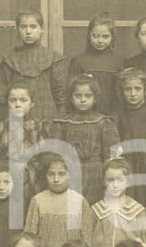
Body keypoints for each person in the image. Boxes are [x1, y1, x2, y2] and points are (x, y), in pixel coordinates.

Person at [46, 75, 121, 204]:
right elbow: (55, 154)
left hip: (96, 174)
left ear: (95, 98)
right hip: (70, 172)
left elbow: (111, 156)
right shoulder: (62, 123)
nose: (83, 100)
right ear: (71, 97)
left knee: (94, 208)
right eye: (78, 96)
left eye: (88, 96)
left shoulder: (103, 122)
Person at [24, 154, 95, 247]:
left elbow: (87, 239)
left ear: (70, 175)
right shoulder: (38, 200)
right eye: (51, 174)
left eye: (61, 174)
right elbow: (29, 238)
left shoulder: (78, 201)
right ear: (45, 176)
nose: (56, 179)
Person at [0, 10, 67, 121]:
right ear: (17, 29)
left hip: (48, 116)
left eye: (33, 26)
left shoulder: (54, 58)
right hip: (18, 116)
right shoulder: (10, 60)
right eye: (23, 27)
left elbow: (60, 95)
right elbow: (4, 96)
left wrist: (60, 120)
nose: (28, 31)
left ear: (41, 29)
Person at [0, 80, 48, 202]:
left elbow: (44, 158)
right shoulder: (0, 127)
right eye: (12, 100)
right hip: (6, 183)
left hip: (33, 183)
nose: (17, 104)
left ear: (32, 103)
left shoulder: (40, 127)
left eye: (23, 100)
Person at [90, 159, 146, 247]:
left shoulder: (137, 210)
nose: (115, 185)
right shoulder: (95, 210)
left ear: (128, 182)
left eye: (120, 180)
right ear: (103, 182)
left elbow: (143, 244)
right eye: (110, 180)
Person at [113, 67, 146, 207]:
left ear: (145, 91)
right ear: (121, 92)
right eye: (128, 89)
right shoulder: (116, 116)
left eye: (138, 89)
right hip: (126, 164)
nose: (133, 94)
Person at [68, 13, 126, 116]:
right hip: (86, 114)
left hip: (115, 114)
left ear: (112, 37)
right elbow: (72, 92)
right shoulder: (78, 61)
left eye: (105, 36)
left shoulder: (121, 60)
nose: (100, 41)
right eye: (95, 36)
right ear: (89, 36)